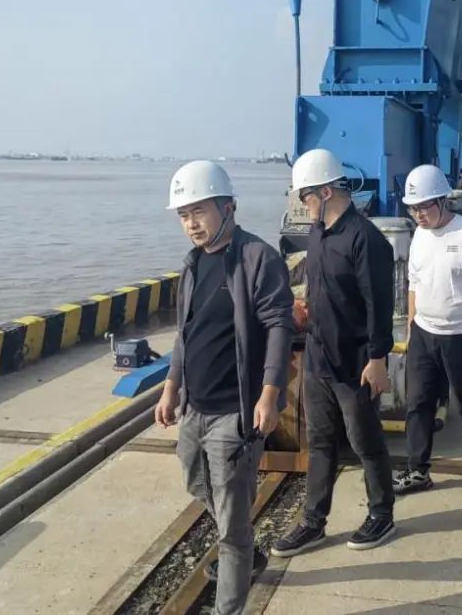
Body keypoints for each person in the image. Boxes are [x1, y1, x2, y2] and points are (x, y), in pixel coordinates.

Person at [154, 161, 296, 615]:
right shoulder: (193, 264)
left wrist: (269, 394)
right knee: (195, 481)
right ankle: (244, 546)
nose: (191, 223)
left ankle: (229, 601)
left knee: (232, 529)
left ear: (228, 207)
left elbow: (279, 326)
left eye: (199, 211)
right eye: (184, 215)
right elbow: (185, 333)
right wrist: (171, 386)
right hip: (195, 409)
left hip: (235, 415)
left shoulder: (257, 258)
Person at [272, 148, 398, 556]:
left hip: (355, 362)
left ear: (326, 192)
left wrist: (377, 360)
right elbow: (322, 287)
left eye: (305, 196)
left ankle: (382, 514)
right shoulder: (318, 232)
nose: (302, 204)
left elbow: (379, 305)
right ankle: (313, 521)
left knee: (365, 441)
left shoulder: (365, 239)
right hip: (318, 357)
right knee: (321, 441)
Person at [392, 164, 462, 495]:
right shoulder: (419, 236)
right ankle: (417, 470)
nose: (418, 215)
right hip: (424, 333)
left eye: (424, 207)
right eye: (413, 208)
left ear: (443, 201)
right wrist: (412, 327)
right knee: (418, 402)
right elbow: (414, 282)